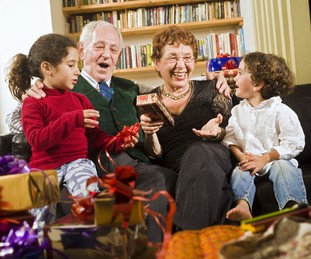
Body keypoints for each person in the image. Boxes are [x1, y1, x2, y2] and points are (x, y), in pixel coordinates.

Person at [6, 33, 138, 232]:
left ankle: (96, 243)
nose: (77, 71)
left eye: (77, 65)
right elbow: (37, 141)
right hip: (43, 169)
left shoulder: (80, 100)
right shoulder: (33, 103)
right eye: (71, 65)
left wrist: (119, 141)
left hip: (77, 163)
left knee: (89, 200)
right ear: (47, 68)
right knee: (35, 222)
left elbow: (96, 137)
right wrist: (72, 119)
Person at [140, 25, 233, 231]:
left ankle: (183, 237)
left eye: (188, 58)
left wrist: (216, 132)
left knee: (198, 150)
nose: (181, 65)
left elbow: (231, 133)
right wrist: (150, 134)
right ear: (156, 62)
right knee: (218, 190)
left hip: (213, 154)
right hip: (180, 170)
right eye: (172, 57)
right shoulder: (147, 101)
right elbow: (154, 154)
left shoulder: (212, 88)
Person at [222, 51, 309, 221]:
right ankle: (242, 205)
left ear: (257, 84)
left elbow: (294, 143)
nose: (235, 79)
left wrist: (267, 157)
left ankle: (293, 207)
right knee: (240, 172)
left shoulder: (280, 110)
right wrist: (242, 157)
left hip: (276, 160)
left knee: (282, 167)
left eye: (240, 73)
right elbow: (230, 138)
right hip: (249, 162)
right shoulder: (237, 111)